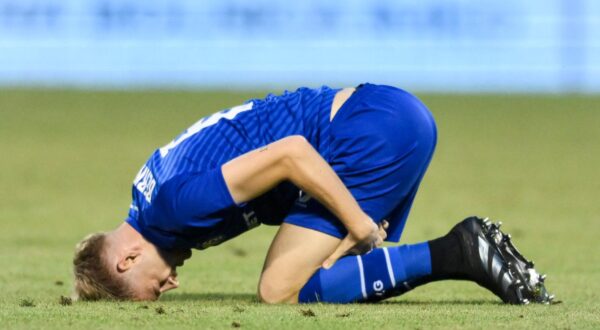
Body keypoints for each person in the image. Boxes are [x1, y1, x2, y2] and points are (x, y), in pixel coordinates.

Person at [73, 83, 552, 304]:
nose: (170, 286)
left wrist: (359, 221)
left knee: (278, 289)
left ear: (127, 260)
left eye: (151, 291)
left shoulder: (174, 207)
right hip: (387, 116)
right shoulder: (147, 192)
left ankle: (461, 251)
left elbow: (292, 153)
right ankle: (464, 252)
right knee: (328, 271)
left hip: (368, 129)